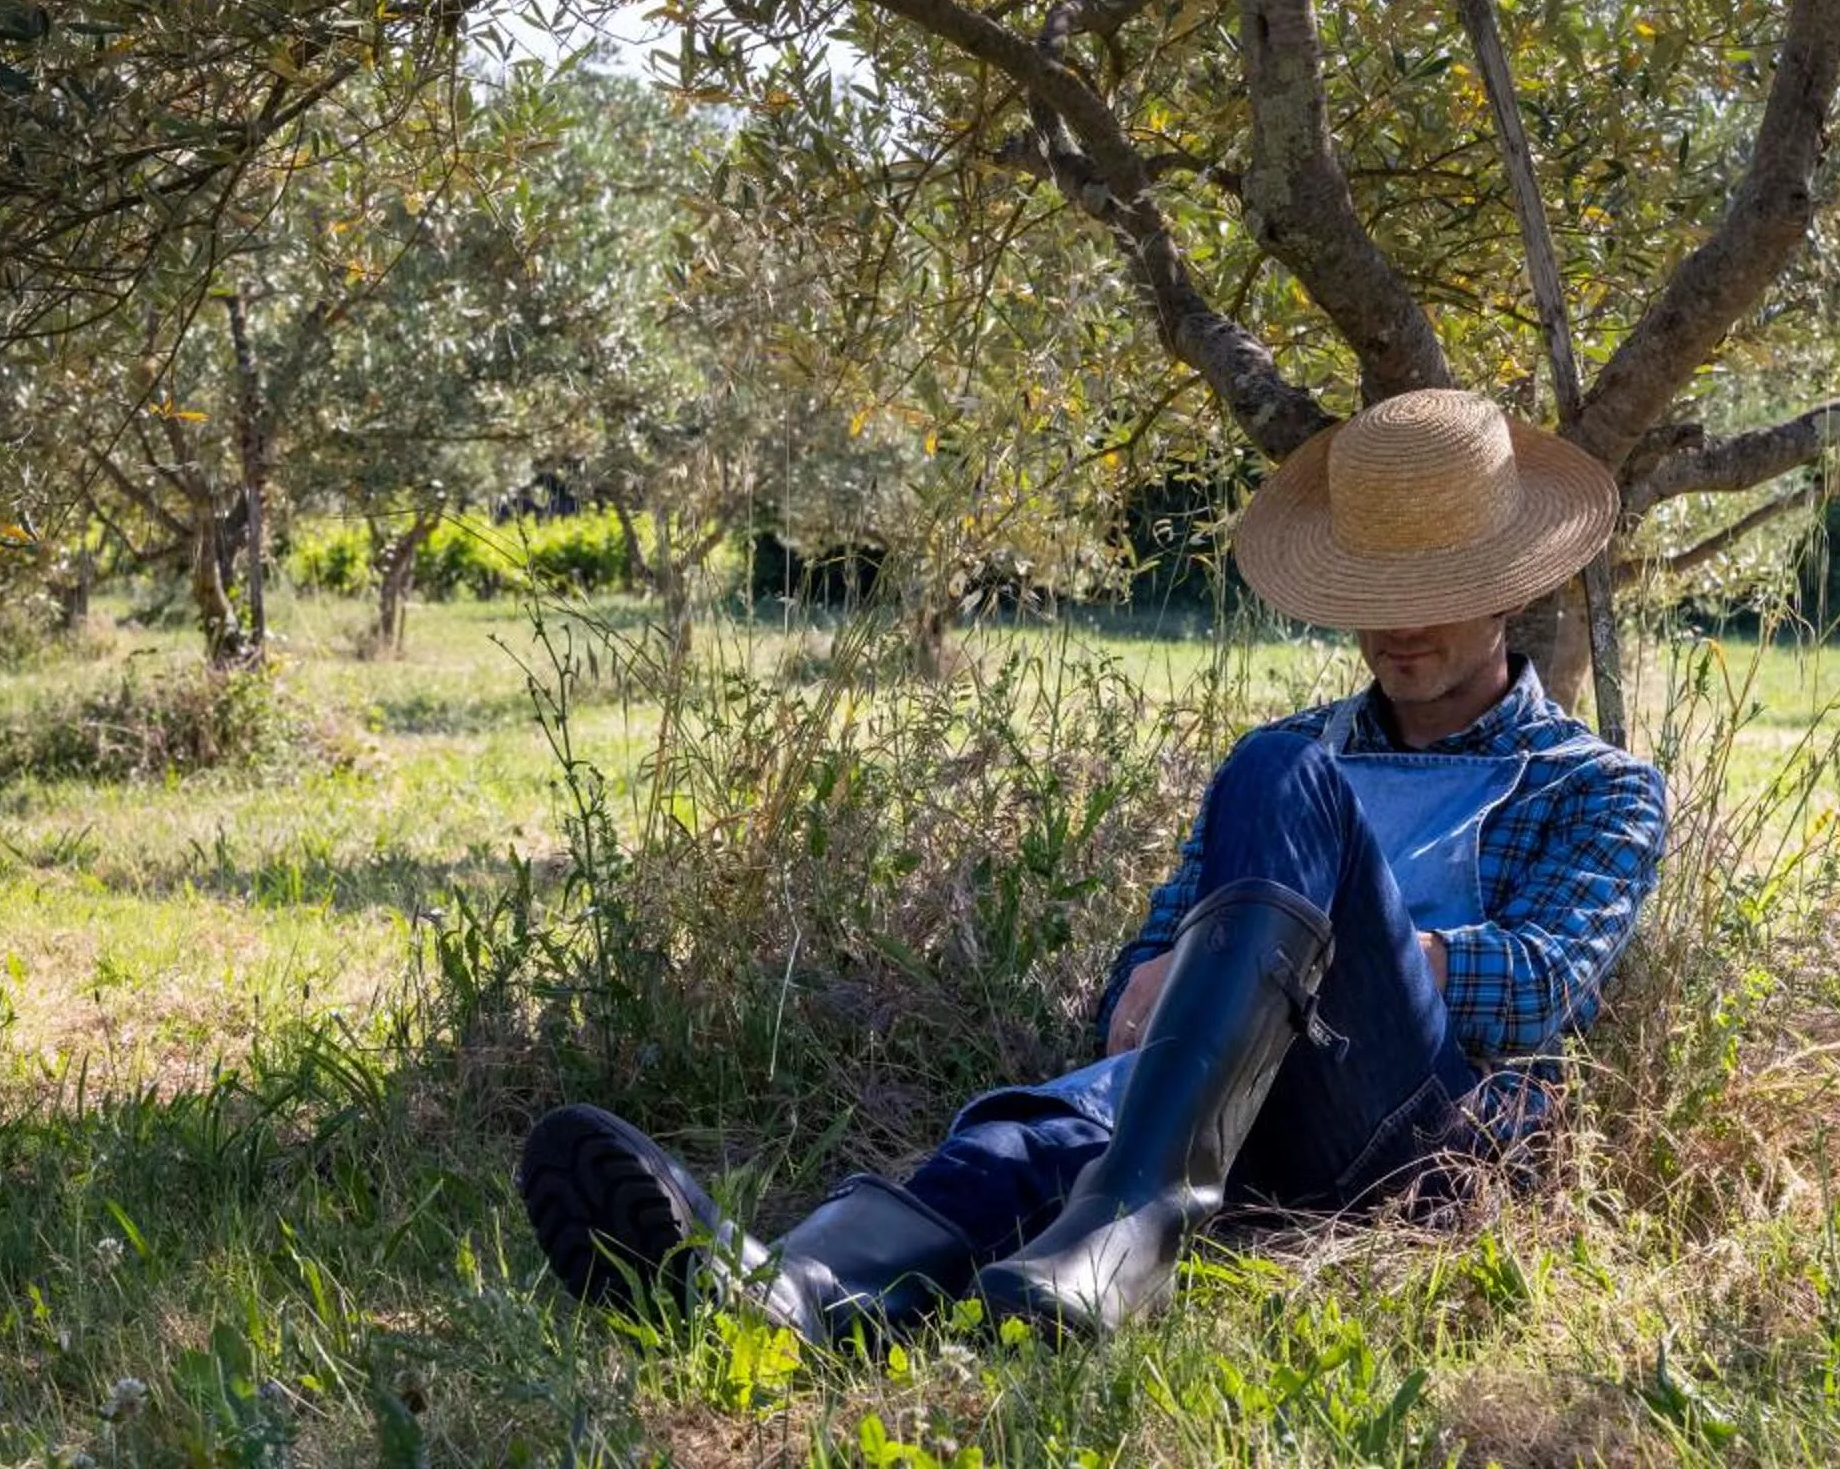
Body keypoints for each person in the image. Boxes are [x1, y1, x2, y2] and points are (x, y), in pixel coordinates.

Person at [515, 388, 1669, 1342]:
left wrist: (1306, 967)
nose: (1397, 625)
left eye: (1435, 592)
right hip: (1225, 1111)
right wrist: (1151, 982)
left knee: (1275, 775)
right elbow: (1144, 975)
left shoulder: (1594, 785)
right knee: (1042, 1126)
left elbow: (1541, 982)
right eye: (1374, 594)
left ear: (1515, 590)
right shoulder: (1298, 758)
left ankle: (1129, 1220)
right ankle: (790, 1293)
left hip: (1400, 1122)